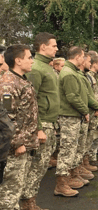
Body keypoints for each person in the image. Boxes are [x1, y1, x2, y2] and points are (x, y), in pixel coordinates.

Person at [0, 44, 43, 208]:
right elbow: (7, 117)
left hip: (24, 143)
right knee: (9, 193)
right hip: (14, 148)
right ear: (18, 60)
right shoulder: (8, 85)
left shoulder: (20, 80)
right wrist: (17, 143)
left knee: (16, 189)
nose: (32, 61)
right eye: (29, 57)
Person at [24, 32, 60, 207]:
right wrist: (38, 128)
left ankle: (30, 200)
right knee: (37, 166)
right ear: (43, 46)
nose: (57, 48)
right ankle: (27, 202)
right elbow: (32, 101)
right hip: (42, 123)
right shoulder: (37, 68)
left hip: (49, 122)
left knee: (42, 165)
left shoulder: (47, 66)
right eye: (54, 45)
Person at [55, 46, 90, 196]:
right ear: (77, 57)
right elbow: (72, 97)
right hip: (69, 116)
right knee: (67, 150)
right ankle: (61, 184)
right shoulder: (69, 73)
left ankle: (69, 176)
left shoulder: (72, 72)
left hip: (73, 115)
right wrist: (85, 110)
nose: (83, 60)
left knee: (72, 149)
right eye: (83, 57)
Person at [75, 53, 98, 181]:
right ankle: (78, 168)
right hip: (87, 112)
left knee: (88, 139)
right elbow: (84, 96)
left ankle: (84, 163)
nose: (90, 64)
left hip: (92, 111)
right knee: (82, 142)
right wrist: (97, 106)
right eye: (89, 61)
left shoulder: (86, 76)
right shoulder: (80, 76)